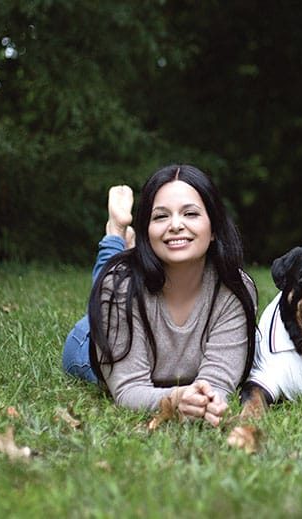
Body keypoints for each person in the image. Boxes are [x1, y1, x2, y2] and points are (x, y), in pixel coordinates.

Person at [62, 165, 257, 427]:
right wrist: (175, 399)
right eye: (161, 217)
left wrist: (205, 401)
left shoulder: (234, 289)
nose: (176, 225)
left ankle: (123, 248)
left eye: (190, 213)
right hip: (91, 343)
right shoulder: (119, 288)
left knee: (116, 280)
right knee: (110, 284)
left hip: (134, 301)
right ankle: (115, 234)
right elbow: (127, 389)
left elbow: (219, 383)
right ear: (147, 232)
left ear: (213, 229)